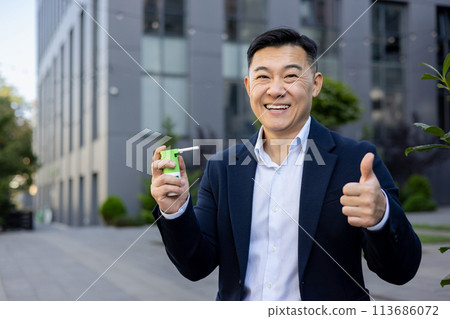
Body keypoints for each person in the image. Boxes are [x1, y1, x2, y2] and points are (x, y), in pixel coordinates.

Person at [150, 28, 421, 301]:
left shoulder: (357, 161)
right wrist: (175, 211)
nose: (276, 90)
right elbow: (196, 265)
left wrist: (381, 218)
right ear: (248, 86)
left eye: (291, 76)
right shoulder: (223, 168)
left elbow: (401, 271)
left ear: (315, 84)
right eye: (263, 77)